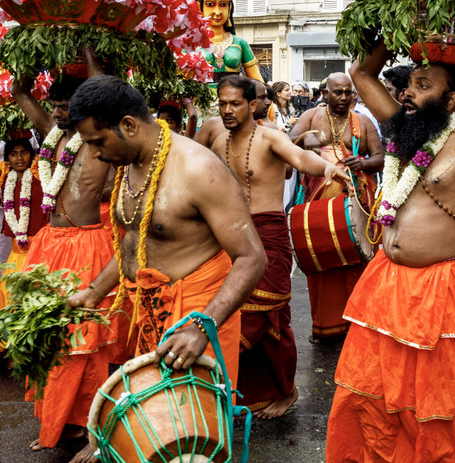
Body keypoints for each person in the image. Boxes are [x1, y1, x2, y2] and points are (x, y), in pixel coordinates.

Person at [325, 39, 455, 463]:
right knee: (378, 393)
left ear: (450, 100)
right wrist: (398, 21)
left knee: (442, 401)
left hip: (447, 289)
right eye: (409, 83)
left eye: (423, 85)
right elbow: (362, 73)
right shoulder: (399, 130)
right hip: (388, 284)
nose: (408, 92)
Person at [67, 75, 267, 401]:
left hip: (196, 318)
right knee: (154, 417)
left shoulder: (198, 169)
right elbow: (136, 241)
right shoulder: (132, 161)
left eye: (98, 141)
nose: (94, 153)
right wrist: (94, 292)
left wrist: (201, 328)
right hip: (150, 314)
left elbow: (252, 257)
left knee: (193, 427)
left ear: (129, 125)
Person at [211, 75, 349, 418]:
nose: (227, 110)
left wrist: (329, 169)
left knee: (267, 315)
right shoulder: (218, 142)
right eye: (222, 103)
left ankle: (286, 391)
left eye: (235, 104)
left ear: (252, 105)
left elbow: (301, 159)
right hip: (231, 237)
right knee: (232, 312)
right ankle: (243, 391)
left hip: (269, 235)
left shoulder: (270, 137)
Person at [11, 60, 117, 463]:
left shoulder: (98, 139)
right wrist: (32, 55)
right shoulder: (54, 134)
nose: (56, 112)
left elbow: (106, 90)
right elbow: (20, 93)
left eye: (64, 105)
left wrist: (89, 47)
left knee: (86, 344)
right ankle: (59, 424)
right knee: (50, 337)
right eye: (53, 104)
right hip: (50, 246)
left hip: (87, 244)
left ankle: (97, 435)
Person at [289, 73, 384, 344]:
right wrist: (304, 138)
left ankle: (357, 324)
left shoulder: (363, 121)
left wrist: (363, 164)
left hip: (357, 199)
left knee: (357, 259)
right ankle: (325, 325)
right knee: (322, 257)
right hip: (319, 204)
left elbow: (379, 157)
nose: (343, 97)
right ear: (325, 93)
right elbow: (289, 141)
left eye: (347, 92)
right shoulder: (311, 117)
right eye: (337, 92)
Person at [0, 139, 45, 308]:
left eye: (24, 153)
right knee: (13, 296)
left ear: (32, 155)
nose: (19, 158)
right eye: (13, 154)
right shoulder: (5, 178)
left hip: (39, 245)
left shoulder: (38, 176)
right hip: (17, 249)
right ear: (7, 159)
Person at [195, 0, 263, 82]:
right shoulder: (190, 42)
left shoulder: (240, 43)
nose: (217, 12)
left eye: (223, 4)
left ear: (229, 7)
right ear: (199, 6)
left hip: (233, 91)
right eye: (210, 4)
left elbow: (258, 81)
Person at [194, 80, 275, 148]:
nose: (268, 102)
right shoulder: (213, 126)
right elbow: (193, 156)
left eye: (267, 97)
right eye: (262, 97)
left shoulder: (272, 131)